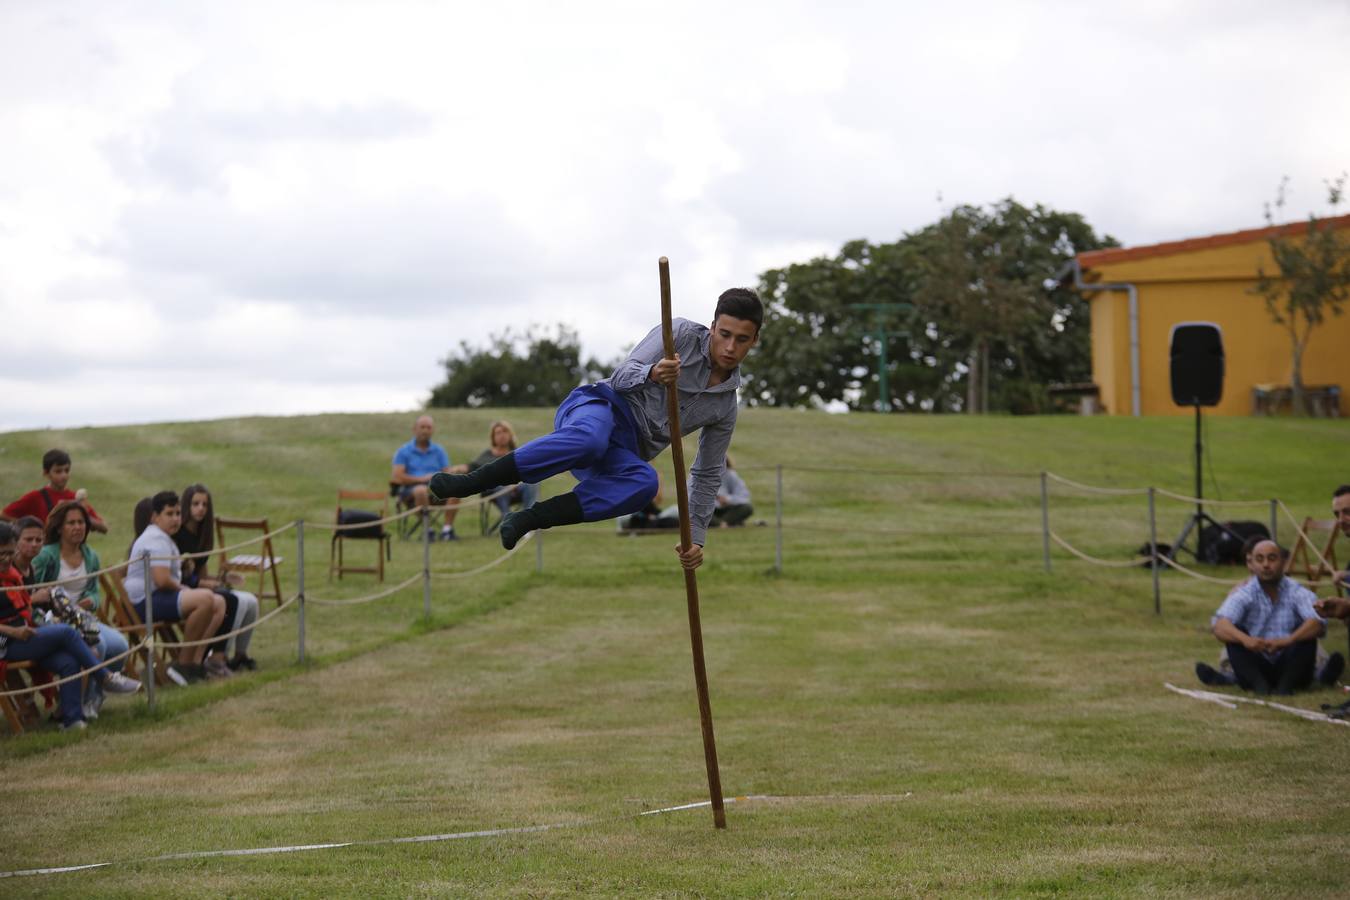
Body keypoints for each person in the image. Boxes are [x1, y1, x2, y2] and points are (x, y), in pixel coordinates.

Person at [429, 287, 763, 570]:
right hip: (600, 407)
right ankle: (471, 482)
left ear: (754, 341)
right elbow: (621, 375)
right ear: (713, 326)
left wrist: (696, 536)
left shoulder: (724, 407)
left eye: (742, 340)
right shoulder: (679, 334)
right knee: (590, 440)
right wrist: (652, 374)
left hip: (625, 450)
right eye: (725, 335)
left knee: (645, 484)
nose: (731, 347)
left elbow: (707, 473)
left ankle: (529, 518)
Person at [0, 522, 141, 730]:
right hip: (6, 643)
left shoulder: (12, 574)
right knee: (67, 632)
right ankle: (105, 677)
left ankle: (72, 720)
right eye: (1, 553)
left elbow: (22, 608)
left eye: (10, 553)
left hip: (25, 634)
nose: (6, 559)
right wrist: (15, 631)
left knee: (69, 662)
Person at [1195, 536, 1338, 695]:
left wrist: (1288, 641)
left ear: (1283, 562)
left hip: (1289, 661)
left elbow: (1318, 622)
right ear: (1252, 565)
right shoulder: (1244, 593)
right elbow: (1219, 625)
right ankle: (1259, 685)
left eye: (1272, 558)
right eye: (1259, 559)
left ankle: (1286, 686)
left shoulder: (1297, 591)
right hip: (1257, 660)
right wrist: (1247, 640)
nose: (1266, 565)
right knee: (1234, 632)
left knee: (1306, 632)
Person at [30, 500, 131, 720]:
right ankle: (80, 706)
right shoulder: (47, 556)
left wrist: (88, 602)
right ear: (59, 527)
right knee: (99, 645)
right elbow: (31, 590)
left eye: (81, 522)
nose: (78, 527)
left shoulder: (90, 555)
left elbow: (94, 592)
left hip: (83, 618)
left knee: (121, 645)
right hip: (55, 621)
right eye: (71, 523)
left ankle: (94, 697)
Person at [123, 491, 226, 685]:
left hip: (158, 596)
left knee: (218, 602)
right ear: (155, 516)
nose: (176, 519)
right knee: (205, 599)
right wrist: (185, 589)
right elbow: (162, 580)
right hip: (143, 603)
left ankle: (195, 663)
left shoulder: (163, 537)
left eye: (178, 514)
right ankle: (183, 665)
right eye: (169, 514)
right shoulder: (156, 539)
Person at [173, 484, 260, 674]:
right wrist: (207, 583)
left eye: (204, 504)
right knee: (231, 600)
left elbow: (202, 574)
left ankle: (240, 655)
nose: (200, 508)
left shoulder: (202, 535)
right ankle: (216, 657)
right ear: (186, 505)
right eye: (195, 503)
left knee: (251, 601)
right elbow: (182, 576)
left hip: (198, 588)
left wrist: (223, 578)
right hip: (183, 591)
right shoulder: (177, 535)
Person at [392, 415, 464, 541]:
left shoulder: (439, 451)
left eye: (429, 427)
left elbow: (446, 472)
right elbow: (398, 476)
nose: (425, 430)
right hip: (411, 491)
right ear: (414, 429)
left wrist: (453, 472)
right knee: (420, 490)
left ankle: (446, 530)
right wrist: (422, 479)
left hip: (436, 489)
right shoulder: (403, 451)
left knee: (457, 490)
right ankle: (428, 530)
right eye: (422, 427)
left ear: (433, 430)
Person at [2, 448, 108, 532]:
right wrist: (28, 529)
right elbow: (4, 515)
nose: (64, 475)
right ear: (46, 473)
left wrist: (85, 515)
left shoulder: (74, 498)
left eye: (66, 470)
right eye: (58, 471)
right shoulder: (35, 497)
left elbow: (104, 528)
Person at [469, 420, 539, 520]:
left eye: (505, 431)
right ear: (493, 437)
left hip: (518, 488)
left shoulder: (517, 453)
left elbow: (528, 470)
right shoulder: (487, 455)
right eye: (498, 433)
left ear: (510, 434)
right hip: (495, 491)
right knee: (501, 486)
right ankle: (508, 520)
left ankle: (527, 519)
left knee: (533, 482)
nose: (502, 435)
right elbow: (472, 468)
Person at [710, 454, 754, 528]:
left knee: (747, 508)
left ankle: (721, 523)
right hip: (709, 509)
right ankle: (721, 523)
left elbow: (744, 497)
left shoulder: (731, 475)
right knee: (695, 510)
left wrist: (728, 499)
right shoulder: (699, 475)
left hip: (728, 509)